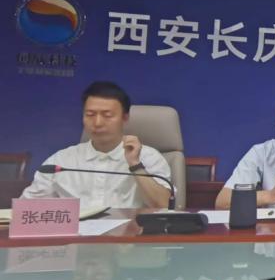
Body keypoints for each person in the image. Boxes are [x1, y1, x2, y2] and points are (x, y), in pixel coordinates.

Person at [21, 81, 172, 208]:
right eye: (90, 115)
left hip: (130, 234)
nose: (97, 123)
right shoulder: (61, 161)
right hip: (75, 235)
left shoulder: (148, 157)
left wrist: (135, 165)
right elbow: (25, 209)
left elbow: (162, 205)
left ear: (125, 118)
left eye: (107, 115)